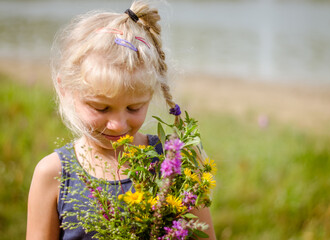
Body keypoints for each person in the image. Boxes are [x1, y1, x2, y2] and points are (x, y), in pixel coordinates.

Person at [26, 1, 216, 239]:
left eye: (134, 107)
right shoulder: (53, 174)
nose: (118, 124)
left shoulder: (173, 165)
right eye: (101, 108)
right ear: (65, 89)